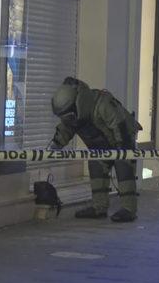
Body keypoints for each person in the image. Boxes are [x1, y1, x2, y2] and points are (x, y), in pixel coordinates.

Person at [48, 77, 142, 222]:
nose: (68, 119)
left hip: (122, 141)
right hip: (100, 147)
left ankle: (129, 209)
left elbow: (119, 125)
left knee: (124, 167)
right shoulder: (75, 114)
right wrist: (55, 145)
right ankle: (99, 207)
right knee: (96, 166)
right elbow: (66, 129)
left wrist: (122, 148)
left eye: (68, 115)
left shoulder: (102, 104)